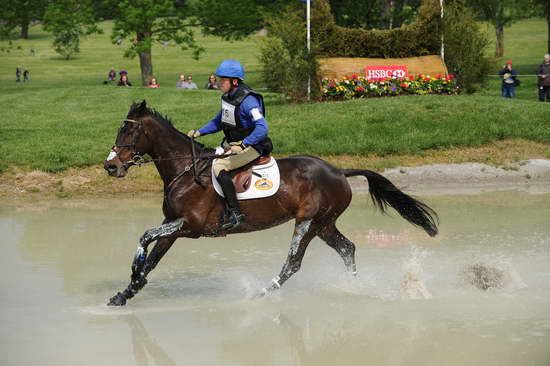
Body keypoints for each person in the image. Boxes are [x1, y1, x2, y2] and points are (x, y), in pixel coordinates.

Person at [187, 60, 272, 230]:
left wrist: (243, 143)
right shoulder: (228, 97)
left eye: (222, 79)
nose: (219, 82)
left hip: (254, 146)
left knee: (219, 167)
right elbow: (219, 121)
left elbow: (263, 127)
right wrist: (199, 132)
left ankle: (235, 213)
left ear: (234, 81)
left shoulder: (249, 102)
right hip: (236, 144)